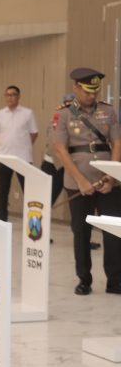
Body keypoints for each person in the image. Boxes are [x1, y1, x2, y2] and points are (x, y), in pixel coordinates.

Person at [51, 68, 121, 296]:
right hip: (77, 181)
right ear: (76, 88)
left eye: (95, 91)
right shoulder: (63, 114)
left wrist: (112, 175)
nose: (92, 96)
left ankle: (115, 281)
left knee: (113, 231)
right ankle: (84, 279)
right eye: (88, 91)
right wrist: (80, 180)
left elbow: (117, 142)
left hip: (108, 182)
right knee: (81, 232)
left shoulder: (108, 111)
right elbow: (60, 149)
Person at [0, 85, 38, 221]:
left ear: (18, 96)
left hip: (23, 157)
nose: (10, 97)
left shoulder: (28, 113)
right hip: (4, 157)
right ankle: (2, 220)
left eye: (13, 95)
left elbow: (34, 133)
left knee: (28, 190)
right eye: (7, 95)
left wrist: (23, 146)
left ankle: (32, 220)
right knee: (3, 190)